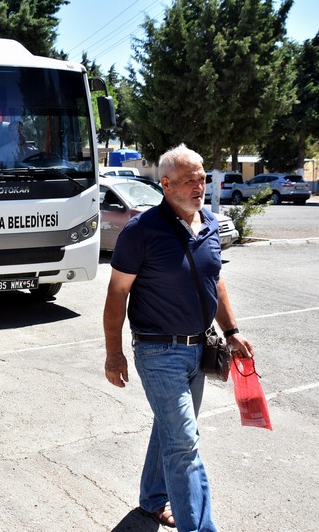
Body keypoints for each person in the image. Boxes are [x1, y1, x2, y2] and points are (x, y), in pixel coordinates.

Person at [102, 144, 255, 531]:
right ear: (166, 184)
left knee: (172, 430)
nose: (199, 185)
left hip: (199, 349)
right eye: (189, 180)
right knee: (185, 445)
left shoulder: (208, 224)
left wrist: (231, 331)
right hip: (158, 352)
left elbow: (213, 279)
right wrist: (113, 353)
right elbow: (117, 292)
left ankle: (154, 499)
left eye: (202, 177)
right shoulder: (142, 231)